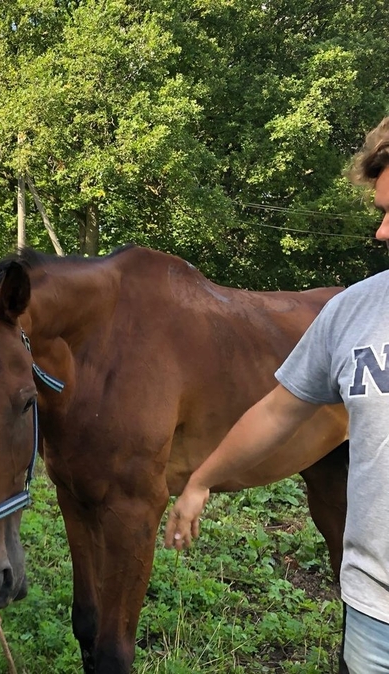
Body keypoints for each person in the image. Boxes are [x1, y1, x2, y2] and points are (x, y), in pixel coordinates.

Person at [163, 116, 389, 673]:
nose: (381, 234)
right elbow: (277, 411)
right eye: (383, 213)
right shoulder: (353, 313)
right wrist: (201, 481)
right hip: (373, 611)